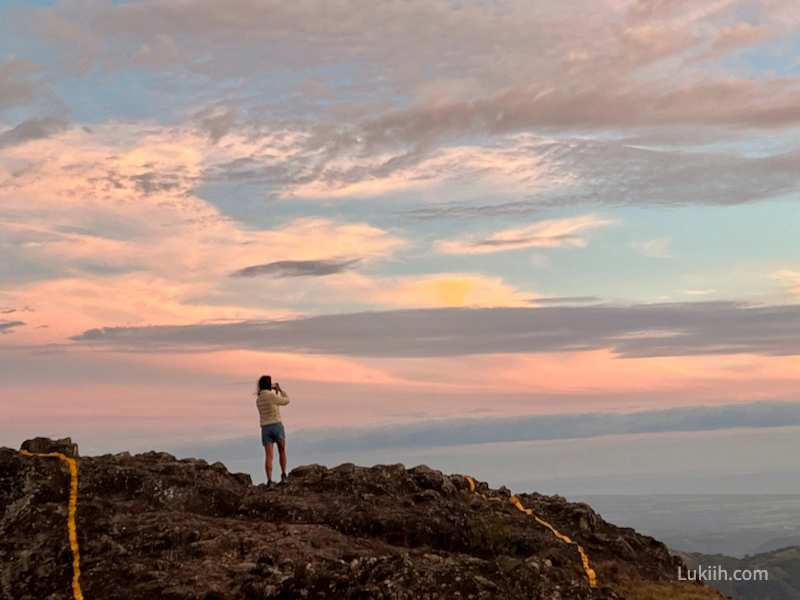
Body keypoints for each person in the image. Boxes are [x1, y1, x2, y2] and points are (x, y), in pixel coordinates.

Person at [255, 374, 290, 489]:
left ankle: (269, 480)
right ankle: (284, 474)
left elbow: (272, 405)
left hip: (265, 428)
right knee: (282, 450)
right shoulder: (271, 396)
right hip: (276, 425)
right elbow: (286, 401)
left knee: (269, 456)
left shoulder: (259, 399)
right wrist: (280, 391)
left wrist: (274, 393)